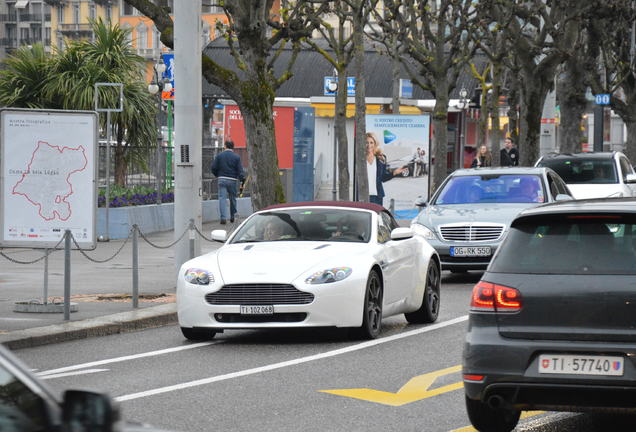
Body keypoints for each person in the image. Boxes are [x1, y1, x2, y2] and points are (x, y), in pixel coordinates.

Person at [211, 140, 245, 224]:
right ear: (233, 147)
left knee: (222, 198)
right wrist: (242, 180)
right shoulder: (236, 157)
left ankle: (223, 218)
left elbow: (213, 167)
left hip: (222, 178)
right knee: (233, 198)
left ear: (225, 146)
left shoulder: (219, 156)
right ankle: (232, 216)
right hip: (233, 180)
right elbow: (240, 170)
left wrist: (217, 175)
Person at [366, 132, 404, 206]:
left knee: (376, 217)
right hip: (362, 195)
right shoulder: (360, 159)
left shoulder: (380, 159)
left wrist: (394, 173)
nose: (369, 145)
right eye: (366, 143)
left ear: (375, 144)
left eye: (371, 143)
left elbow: (383, 178)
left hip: (377, 197)